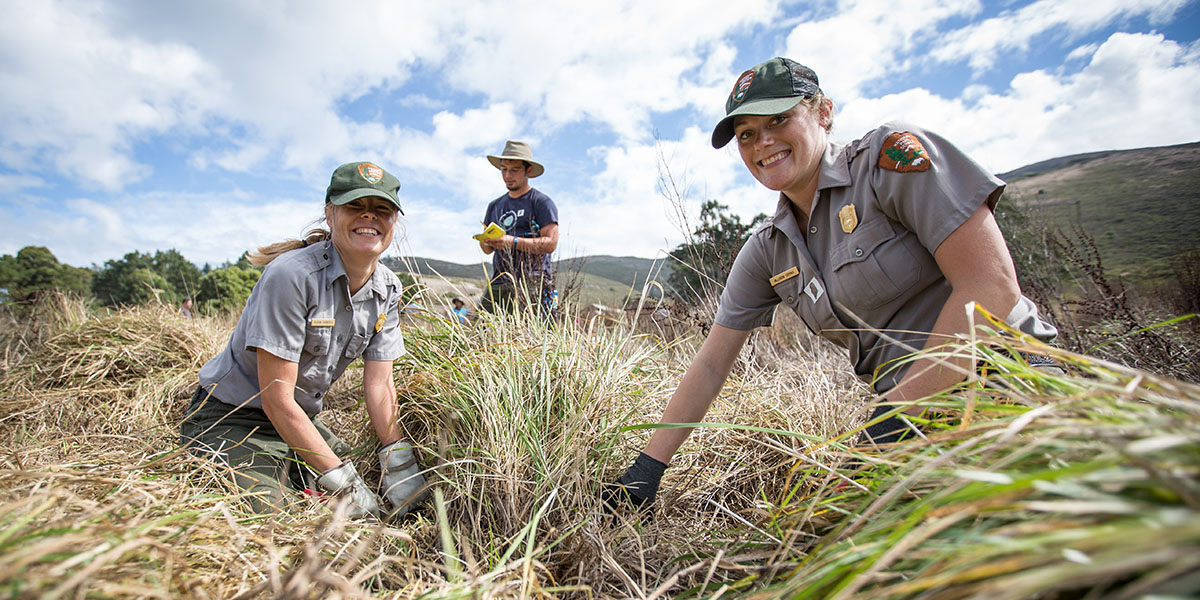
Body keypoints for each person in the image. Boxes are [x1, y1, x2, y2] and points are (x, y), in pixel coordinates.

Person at [608, 57, 1057, 510]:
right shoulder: (768, 250)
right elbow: (709, 366)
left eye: (779, 119)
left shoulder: (887, 163)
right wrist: (647, 470)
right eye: (746, 134)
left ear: (823, 112)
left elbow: (992, 287)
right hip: (914, 427)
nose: (762, 142)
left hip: (1011, 388)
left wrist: (887, 428)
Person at [180, 161, 427, 519]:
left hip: (299, 420)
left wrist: (398, 458)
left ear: (393, 222)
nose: (369, 217)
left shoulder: (388, 288)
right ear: (330, 213)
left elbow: (380, 385)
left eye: (382, 210)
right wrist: (342, 483)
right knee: (280, 512)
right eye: (355, 206)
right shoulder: (291, 276)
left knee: (367, 477)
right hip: (233, 417)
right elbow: (276, 399)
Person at [478, 140, 560, 315]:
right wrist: (487, 241)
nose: (508, 175)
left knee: (533, 336)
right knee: (481, 332)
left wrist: (512, 241)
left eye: (514, 170)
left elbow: (551, 243)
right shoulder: (495, 206)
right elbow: (486, 250)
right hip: (500, 280)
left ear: (528, 170)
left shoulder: (541, 202)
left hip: (533, 281)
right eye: (504, 169)